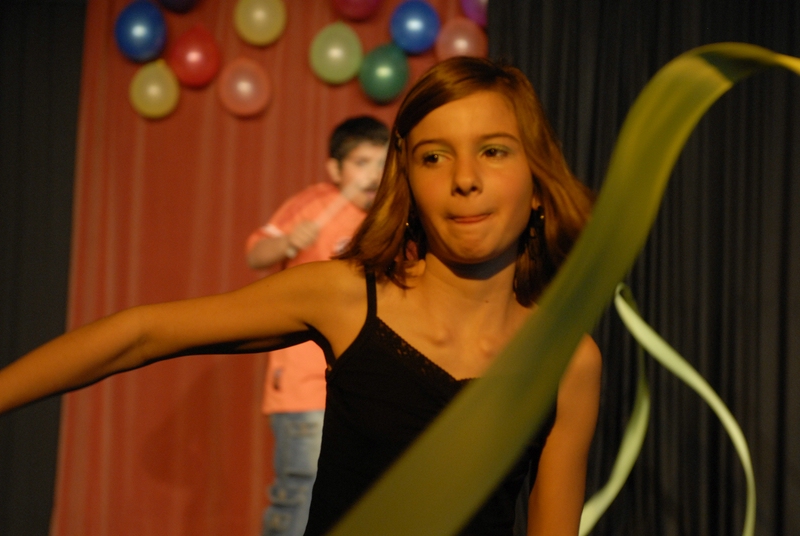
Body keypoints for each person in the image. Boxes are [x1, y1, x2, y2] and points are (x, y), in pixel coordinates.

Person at [0, 56, 601, 535]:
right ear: (408, 183)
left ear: (538, 184)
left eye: (493, 151)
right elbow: (141, 334)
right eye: (434, 156)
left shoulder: (567, 362)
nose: (464, 178)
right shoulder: (347, 296)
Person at [245, 116, 389, 536]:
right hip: (307, 387)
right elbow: (256, 252)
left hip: (366, 388)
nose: (373, 174)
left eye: (382, 163)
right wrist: (287, 243)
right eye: (362, 163)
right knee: (301, 494)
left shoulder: (389, 217)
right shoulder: (313, 205)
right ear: (335, 169)